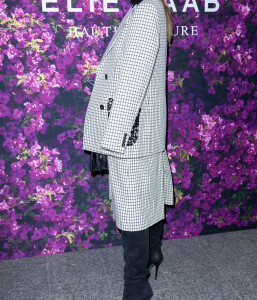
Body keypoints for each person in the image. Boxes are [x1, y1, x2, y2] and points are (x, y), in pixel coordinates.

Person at [82, 0, 173, 298]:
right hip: (141, 130)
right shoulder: (148, 8)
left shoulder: (146, 9)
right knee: (149, 195)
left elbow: (133, 81)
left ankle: (136, 287)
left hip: (130, 132)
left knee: (132, 209)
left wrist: (115, 138)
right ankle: (153, 254)